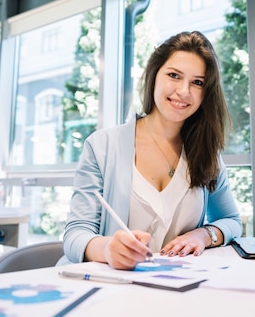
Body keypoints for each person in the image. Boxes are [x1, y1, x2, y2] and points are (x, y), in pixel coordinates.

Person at [62, 30, 242, 270]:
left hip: (176, 287)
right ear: (154, 76)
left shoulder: (206, 153)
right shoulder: (102, 145)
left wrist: (204, 235)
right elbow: (75, 235)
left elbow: (231, 221)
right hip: (110, 288)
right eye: (174, 75)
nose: (184, 91)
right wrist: (108, 249)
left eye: (197, 82)